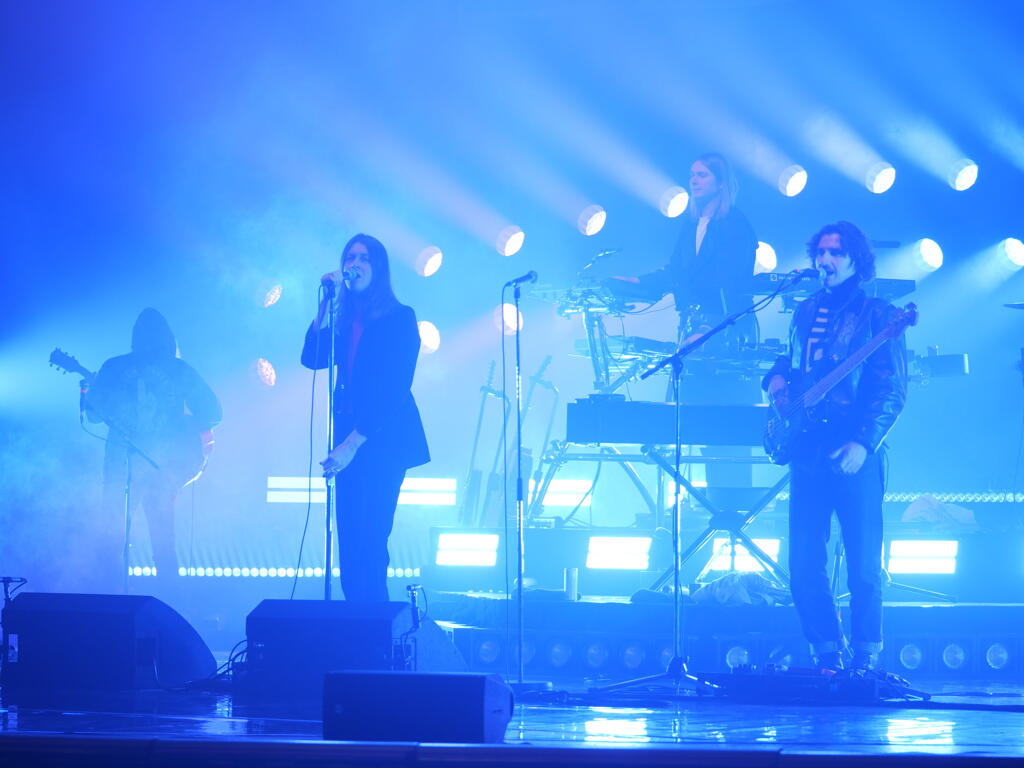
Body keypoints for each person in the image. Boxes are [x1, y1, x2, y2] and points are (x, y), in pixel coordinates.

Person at [763, 221, 908, 671]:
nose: (824, 261)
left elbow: (892, 391)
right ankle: (826, 651)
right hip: (807, 449)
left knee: (863, 565)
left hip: (855, 451)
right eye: (820, 252)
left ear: (855, 260)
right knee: (803, 561)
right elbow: (791, 362)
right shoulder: (803, 311)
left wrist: (864, 443)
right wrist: (775, 379)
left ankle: (866, 656)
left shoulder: (880, 315)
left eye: (835, 253)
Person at [301, 233, 430, 602]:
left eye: (363, 258)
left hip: (382, 440)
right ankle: (356, 628)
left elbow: (394, 389)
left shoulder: (400, 318)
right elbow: (311, 358)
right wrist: (324, 309)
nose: (353, 264)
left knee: (371, 542)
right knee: (349, 545)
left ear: (379, 268)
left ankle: (377, 642)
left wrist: (352, 443)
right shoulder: (345, 321)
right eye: (350, 257)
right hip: (348, 440)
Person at [87, 308, 221, 597]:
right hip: (156, 467)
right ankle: (169, 609)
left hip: (128, 466)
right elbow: (213, 413)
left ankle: (105, 607)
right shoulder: (179, 370)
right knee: (162, 543)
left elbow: (95, 417)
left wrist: (88, 395)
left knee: (112, 540)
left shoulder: (114, 367)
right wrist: (184, 429)